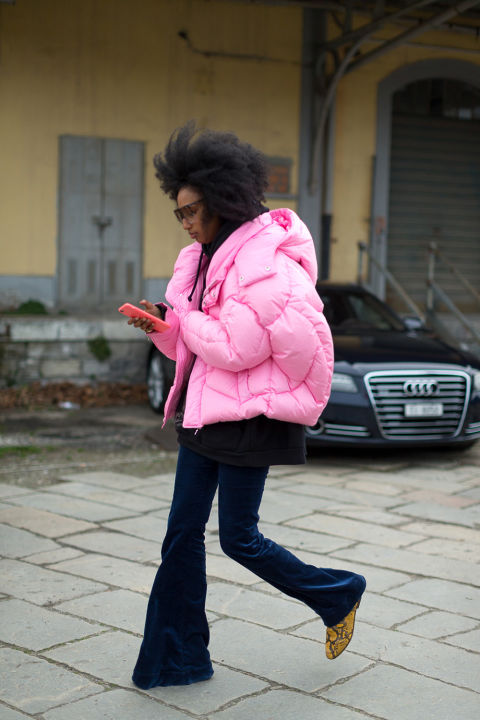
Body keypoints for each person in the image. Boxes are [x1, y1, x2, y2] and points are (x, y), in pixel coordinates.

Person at [126, 122, 366, 689]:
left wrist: (185, 322)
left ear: (224, 199)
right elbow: (194, 342)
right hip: (203, 413)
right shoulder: (202, 258)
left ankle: (337, 592)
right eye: (178, 212)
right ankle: (177, 660)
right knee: (181, 535)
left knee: (238, 537)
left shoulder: (267, 264)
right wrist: (162, 327)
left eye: (192, 210)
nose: (184, 222)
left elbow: (236, 348)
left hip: (251, 419)